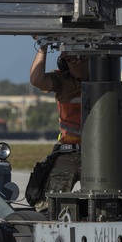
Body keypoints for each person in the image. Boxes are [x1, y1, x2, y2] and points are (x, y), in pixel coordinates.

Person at [28, 45, 89, 212]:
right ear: (64, 63)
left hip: (96, 153)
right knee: (52, 203)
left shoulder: (106, 79)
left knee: (102, 198)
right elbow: (36, 79)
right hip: (69, 151)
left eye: (81, 58)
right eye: (71, 59)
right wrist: (42, 48)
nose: (77, 62)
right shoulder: (62, 81)